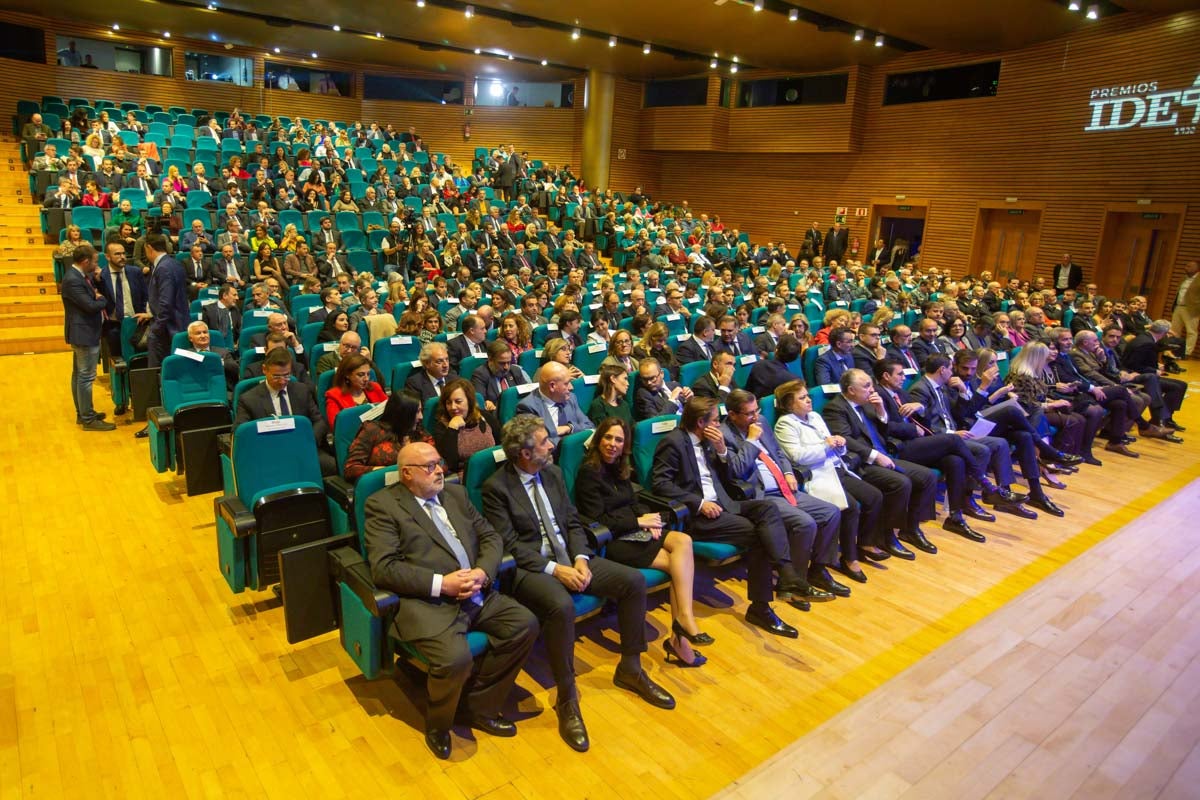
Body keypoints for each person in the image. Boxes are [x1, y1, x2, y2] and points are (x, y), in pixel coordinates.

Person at [483, 415, 676, 753]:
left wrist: (582, 559)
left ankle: (631, 668)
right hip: (534, 570)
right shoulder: (497, 488)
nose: (552, 445)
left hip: (574, 559)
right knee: (561, 606)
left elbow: (573, 523)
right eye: (544, 442)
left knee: (632, 581)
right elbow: (510, 545)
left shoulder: (554, 474)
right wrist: (557, 570)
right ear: (525, 452)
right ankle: (567, 697)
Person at [363, 441, 538, 759]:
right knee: (455, 659)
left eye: (439, 462)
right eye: (429, 466)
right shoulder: (383, 505)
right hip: (429, 601)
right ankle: (439, 724)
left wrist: (483, 572)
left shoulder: (455, 495)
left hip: (477, 589)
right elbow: (384, 569)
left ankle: (478, 707)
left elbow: (490, 537)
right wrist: (442, 584)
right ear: (406, 474)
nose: (440, 470)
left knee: (524, 624)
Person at [650, 396, 805, 634]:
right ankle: (762, 608)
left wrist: (722, 451)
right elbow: (660, 483)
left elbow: (731, 474)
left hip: (725, 503)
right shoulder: (673, 442)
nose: (719, 423)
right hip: (697, 516)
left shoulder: (711, 441)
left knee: (768, 509)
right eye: (715, 420)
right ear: (702, 422)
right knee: (758, 536)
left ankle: (784, 572)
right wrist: (699, 503)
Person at [575, 418, 708, 667]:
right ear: (598, 440)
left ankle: (683, 621)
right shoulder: (589, 472)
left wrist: (653, 520)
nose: (612, 444)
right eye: (608, 438)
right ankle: (681, 637)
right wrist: (639, 522)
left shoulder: (620, 467)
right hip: (614, 541)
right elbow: (600, 520)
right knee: (677, 566)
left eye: (618, 440)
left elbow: (632, 500)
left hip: (634, 530)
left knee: (683, 541)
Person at [722, 389, 846, 599]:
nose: (755, 417)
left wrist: (788, 472)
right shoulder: (724, 434)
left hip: (784, 485)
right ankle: (792, 583)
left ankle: (817, 570)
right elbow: (737, 470)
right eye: (749, 413)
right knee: (805, 523)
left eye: (757, 411)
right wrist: (751, 441)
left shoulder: (760, 420)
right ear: (733, 415)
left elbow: (777, 451)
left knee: (831, 512)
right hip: (763, 495)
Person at [774, 381, 887, 577]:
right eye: (802, 398)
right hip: (817, 474)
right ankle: (848, 558)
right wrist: (827, 445)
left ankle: (864, 544)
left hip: (836, 468)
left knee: (874, 496)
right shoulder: (785, 424)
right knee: (850, 507)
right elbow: (798, 456)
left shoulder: (815, 416)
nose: (809, 399)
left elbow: (832, 444)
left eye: (807, 395)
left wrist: (840, 444)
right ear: (789, 404)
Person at [822, 368, 939, 557]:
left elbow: (884, 431)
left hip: (885, 454)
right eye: (866, 386)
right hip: (862, 463)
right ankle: (886, 535)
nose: (872, 389)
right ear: (851, 390)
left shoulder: (869, 403)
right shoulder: (835, 408)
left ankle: (910, 528)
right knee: (901, 483)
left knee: (927, 477)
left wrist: (881, 411)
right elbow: (845, 438)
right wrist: (874, 455)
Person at [235, 347, 337, 475]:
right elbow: (242, 433)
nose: (282, 381)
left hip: (303, 448)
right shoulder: (249, 399)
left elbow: (319, 421)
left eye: (287, 375)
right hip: (269, 454)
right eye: (276, 376)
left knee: (334, 467)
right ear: (264, 370)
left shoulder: (302, 390)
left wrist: (308, 441)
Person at [61, 245, 116, 431]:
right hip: (83, 333)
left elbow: (95, 293)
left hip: (84, 331)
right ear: (85, 262)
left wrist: (98, 286)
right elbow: (91, 306)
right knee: (85, 377)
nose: (96, 264)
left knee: (79, 375)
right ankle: (88, 418)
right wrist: (101, 299)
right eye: (94, 261)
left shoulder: (82, 276)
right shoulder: (72, 280)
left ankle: (83, 413)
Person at [344, 391, 426, 481]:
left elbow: (439, 461)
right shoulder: (372, 430)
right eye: (417, 412)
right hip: (382, 486)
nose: (421, 416)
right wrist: (384, 471)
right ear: (403, 414)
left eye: (421, 410)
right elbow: (350, 469)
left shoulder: (417, 429)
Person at [516, 361, 594, 446]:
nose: (571, 387)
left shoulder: (571, 398)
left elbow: (589, 426)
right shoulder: (528, 407)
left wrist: (569, 427)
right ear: (552, 386)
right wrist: (570, 442)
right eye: (566, 383)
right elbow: (537, 444)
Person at [432, 378, 499, 476]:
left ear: (469, 401)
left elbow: (501, 445)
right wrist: (452, 429)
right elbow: (450, 463)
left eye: (458, 401)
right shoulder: (441, 427)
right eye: (449, 403)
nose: (453, 407)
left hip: (494, 471)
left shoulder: (485, 416)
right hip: (466, 477)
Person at [324, 353, 387, 427]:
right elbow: (336, 427)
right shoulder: (334, 396)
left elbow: (390, 411)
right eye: (361, 375)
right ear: (347, 375)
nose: (366, 379)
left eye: (368, 374)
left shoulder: (375, 387)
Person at [471, 340, 529, 413]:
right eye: (502, 363)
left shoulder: (515, 370)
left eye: (508, 362)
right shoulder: (481, 374)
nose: (506, 367)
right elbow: (480, 401)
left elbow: (527, 393)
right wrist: (486, 403)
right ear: (490, 360)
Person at [745, 334, 801, 398]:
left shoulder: (759, 364)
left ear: (776, 350)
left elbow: (748, 392)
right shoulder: (793, 380)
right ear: (795, 358)